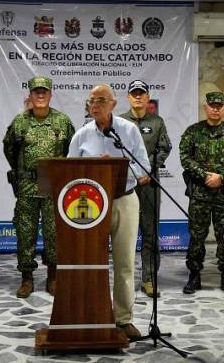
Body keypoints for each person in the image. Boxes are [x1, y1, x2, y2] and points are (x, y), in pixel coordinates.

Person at [67, 84, 150, 341]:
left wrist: (114, 167)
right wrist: (92, 169)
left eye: (101, 100)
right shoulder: (81, 135)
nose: (94, 105)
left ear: (113, 104)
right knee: (91, 262)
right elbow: (68, 173)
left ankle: (123, 319)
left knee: (124, 263)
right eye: (91, 100)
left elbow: (144, 170)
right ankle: (92, 314)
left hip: (124, 200)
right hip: (90, 206)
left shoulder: (128, 131)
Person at [3, 76, 75, 298]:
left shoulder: (62, 121)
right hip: (27, 186)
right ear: (30, 95)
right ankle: (26, 277)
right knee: (26, 232)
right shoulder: (20, 122)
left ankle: (53, 275)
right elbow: (9, 150)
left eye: (44, 91)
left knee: (55, 233)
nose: (40, 95)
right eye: (36, 92)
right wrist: (23, 172)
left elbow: (72, 150)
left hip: (54, 186)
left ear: (50, 94)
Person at [180, 91, 224, 296]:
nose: (215, 109)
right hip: (199, 193)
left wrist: (222, 177)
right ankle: (194, 275)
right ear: (206, 108)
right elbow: (185, 157)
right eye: (212, 105)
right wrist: (203, 175)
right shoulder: (193, 132)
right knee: (197, 235)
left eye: (219, 106)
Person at [119, 80, 172, 297]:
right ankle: (125, 280)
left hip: (150, 183)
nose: (138, 97)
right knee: (124, 234)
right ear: (128, 97)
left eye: (142, 93)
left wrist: (147, 169)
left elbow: (164, 147)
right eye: (134, 93)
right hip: (125, 185)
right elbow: (115, 150)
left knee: (150, 233)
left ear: (148, 97)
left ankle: (148, 279)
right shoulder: (119, 122)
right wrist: (133, 173)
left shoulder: (157, 122)